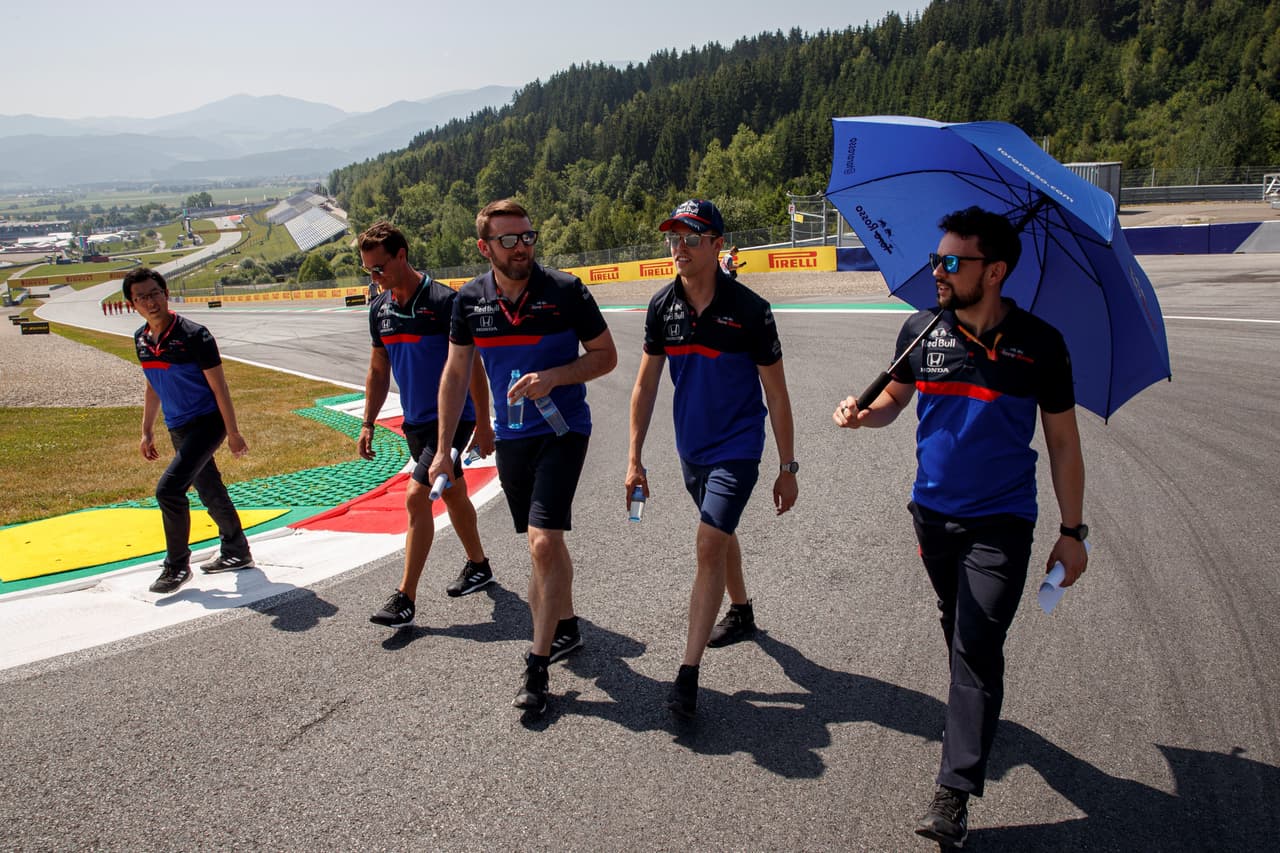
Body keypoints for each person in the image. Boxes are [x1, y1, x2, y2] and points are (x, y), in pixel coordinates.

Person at [833, 206, 1089, 847]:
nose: (937, 271)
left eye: (952, 261)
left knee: (975, 646)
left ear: (995, 271)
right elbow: (893, 399)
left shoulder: (1041, 344)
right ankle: (974, 710)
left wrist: (1074, 530)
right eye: (935, 259)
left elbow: (1062, 442)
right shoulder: (922, 330)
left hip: (1002, 522)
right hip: (931, 515)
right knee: (958, 629)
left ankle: (954, 793)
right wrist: (861, 415)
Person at [429, 199, 617, 716]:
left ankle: (536, 667)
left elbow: (607, 357)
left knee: (542, 541)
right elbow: (454, 375)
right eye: (509, 240)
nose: (521, 247)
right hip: (511, 439)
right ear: (484, 247)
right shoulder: (468, 301)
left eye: (528, 237)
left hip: (564, 430)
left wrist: (554, 377)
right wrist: (445, 448)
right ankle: (568, 627)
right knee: (543, 545)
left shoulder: (565, 291)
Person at [627, 199, 798, 720]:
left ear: (718, 244)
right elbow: (645, 384)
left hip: (739, 447)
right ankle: (742, 612)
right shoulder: (662, 307)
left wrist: (787, 468)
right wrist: (634, 458)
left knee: (707, 542)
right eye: (673, 238)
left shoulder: (750, 310)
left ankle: (687, 674)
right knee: (718, 533)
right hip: (691, 450)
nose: (679, 248)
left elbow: (778, 394)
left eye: (692, 238)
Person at [356, 221, 496, 629]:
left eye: (380, 268)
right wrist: (367, 422)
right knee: (452, 493)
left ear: (402, 255)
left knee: (418, 497)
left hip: (453, 420)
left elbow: (472, 369)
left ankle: (405, 598)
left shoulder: (444, 303)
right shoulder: (380, 310)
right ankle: (479, 565)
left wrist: (484, 425)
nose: (375, 278)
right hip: (416, 423)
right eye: (368, 271)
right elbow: (378, 371)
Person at [124, 267, 255, 595]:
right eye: (142, 297)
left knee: (168, 491)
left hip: (207, 423)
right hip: (177, 426)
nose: (150, 301)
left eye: (155, 293)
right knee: (209, 488)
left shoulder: (196, 336)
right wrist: (146, 431)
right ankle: (236, 550)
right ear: (132, 304)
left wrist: (233, 431)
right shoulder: (141, 340)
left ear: (165, 294)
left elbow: (220, 387)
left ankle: (177, 565)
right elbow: (152, 386)